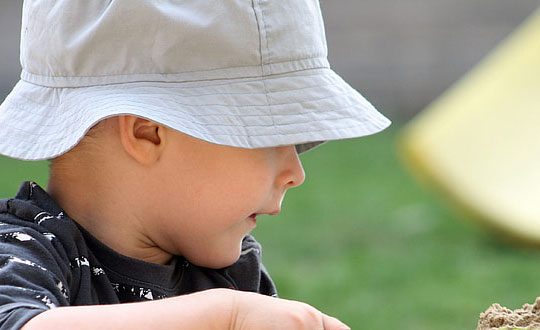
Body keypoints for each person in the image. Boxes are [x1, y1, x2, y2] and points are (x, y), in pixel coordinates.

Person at [0, 0, 391, 329]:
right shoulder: (25, 252)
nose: (295, 173)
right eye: (271, 138)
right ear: (148, 133)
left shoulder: (230, 275)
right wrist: (226, 316)